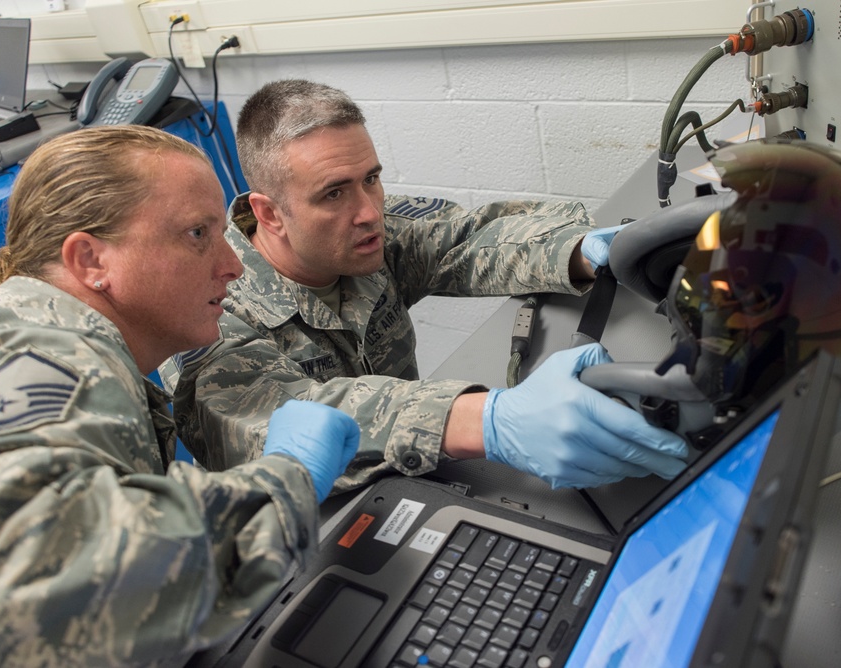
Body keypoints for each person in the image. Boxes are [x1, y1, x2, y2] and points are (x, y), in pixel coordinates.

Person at [162, 78, 688, 492]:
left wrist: (591, 248)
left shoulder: (361, 235)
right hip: (307, 539)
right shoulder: (204, 308)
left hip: (418, 479)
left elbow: (465, 239)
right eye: (333, 194)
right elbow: (282, 424)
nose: (369, 212)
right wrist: (488, 421)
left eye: (371, 178)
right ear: (269, 214)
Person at [0, 125, 362, 666]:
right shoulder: (50, 361)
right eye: (198, 234)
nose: (232, 265)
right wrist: (285, 480)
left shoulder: (36, 336)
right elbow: (38, 576)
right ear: (90, 261)